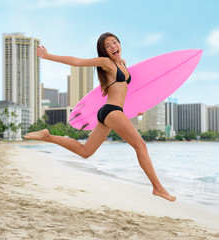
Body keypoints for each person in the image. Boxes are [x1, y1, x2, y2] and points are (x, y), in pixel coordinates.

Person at [25, 32, 176, 202]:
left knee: (85, 151)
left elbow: (125, 93)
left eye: (114, 42)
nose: (113, 47)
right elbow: (78, 61)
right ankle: (158, 188)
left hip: (111, 112)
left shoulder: (123, 64)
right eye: (108, 46)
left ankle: (48, 136)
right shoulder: (106, 62)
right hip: (111, 111)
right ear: (104, 51)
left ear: (120, 44)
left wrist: (135, 111)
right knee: (140, 146)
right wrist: (48, 56)